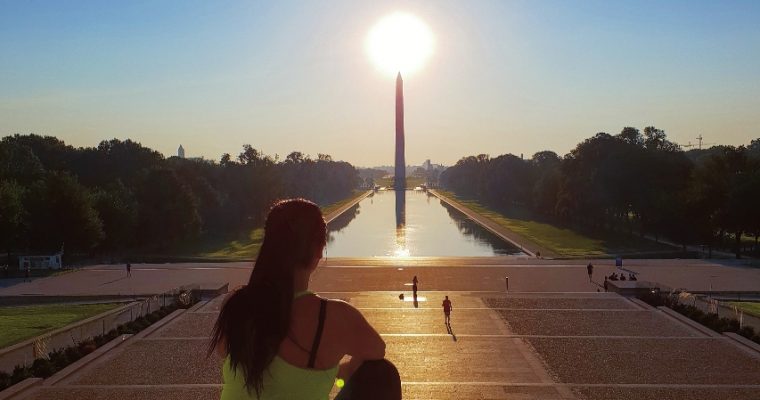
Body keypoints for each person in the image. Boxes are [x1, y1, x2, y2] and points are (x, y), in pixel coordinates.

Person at [210, 199, 400, 400]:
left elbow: (226, 354)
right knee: (383, 374)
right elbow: (378, 349)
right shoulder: (335, 317)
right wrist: (336, 370)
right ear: (318, 250)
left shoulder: (236, 305)